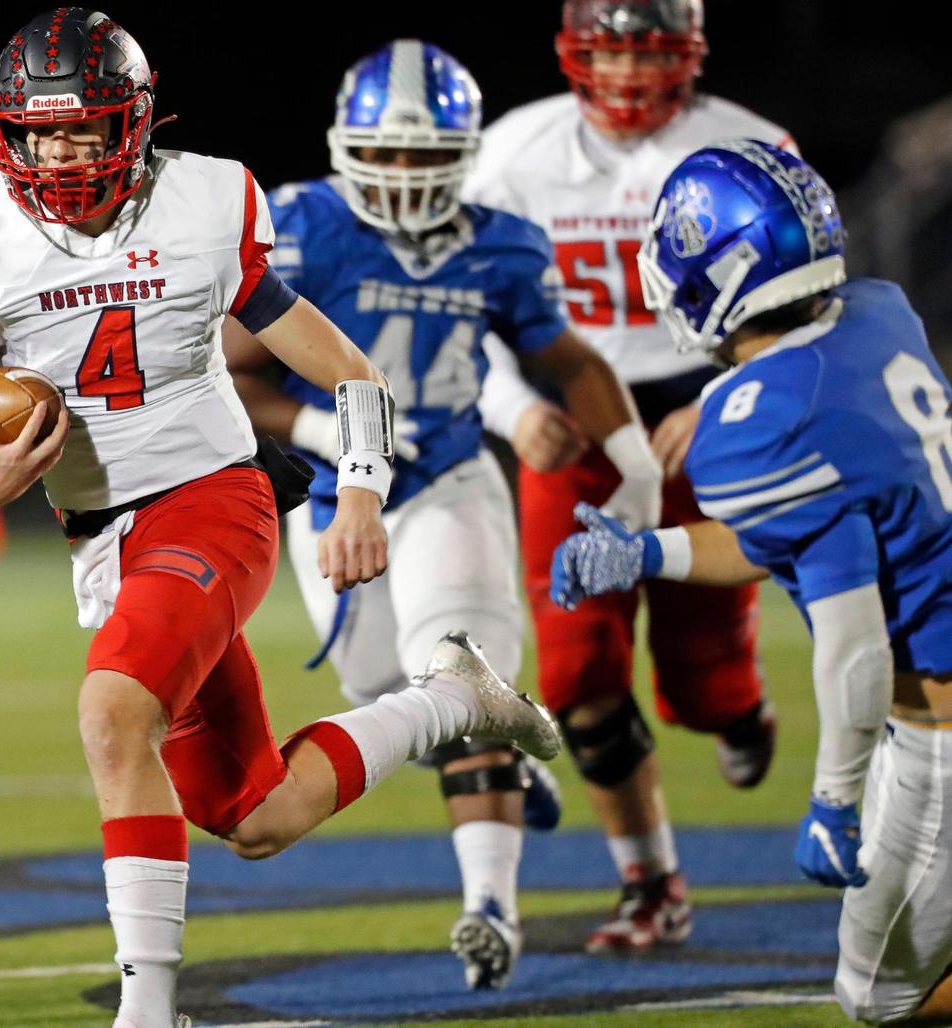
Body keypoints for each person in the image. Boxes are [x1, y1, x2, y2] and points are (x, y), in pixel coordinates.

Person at [0, 11, 561, 1028]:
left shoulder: (204, 202)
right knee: (256, 813)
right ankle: (454, 699)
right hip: (109, 541)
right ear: (9, 135)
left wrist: (357, 487)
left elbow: (351, 373)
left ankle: (149, 1010)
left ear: (134, 124)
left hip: (215, 500)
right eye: (42, 135)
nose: (64, 155)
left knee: (113, 711)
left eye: (86, 130)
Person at [222, 39, 663, 990]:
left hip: (453, 480)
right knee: (381, 693)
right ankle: (503, 745)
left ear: (462, 152)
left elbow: (570, 360)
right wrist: (325, 423)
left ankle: (489, 907)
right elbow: (228, 375)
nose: (406, 173)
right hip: (338, 491)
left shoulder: (503, 243)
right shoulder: (302, 225)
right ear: (348, 147)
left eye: (427, 154)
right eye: (387, 152)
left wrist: (632, 464)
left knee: (449, 675)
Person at [550, 138, 952, 1025]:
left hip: (934, 724)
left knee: (880, 997)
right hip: (927, 696)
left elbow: (853, 642)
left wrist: (833, 801)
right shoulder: (880, 313)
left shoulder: (758, 420)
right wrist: (649, 553)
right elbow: (798, 535)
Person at [462, 0, 796, 953]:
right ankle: (652, 885)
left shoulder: (749, 143)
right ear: (575, 51)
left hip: (706, 415)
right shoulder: (514, 151)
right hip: (574, 428)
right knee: (577, 673)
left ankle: (736, 706)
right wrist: (512, 410)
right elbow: (458, 302)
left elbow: (811, 294)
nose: (628, 77)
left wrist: (738, 388)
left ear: (687, 52)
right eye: (611, 52)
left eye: (649, 53)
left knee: (703, 680)